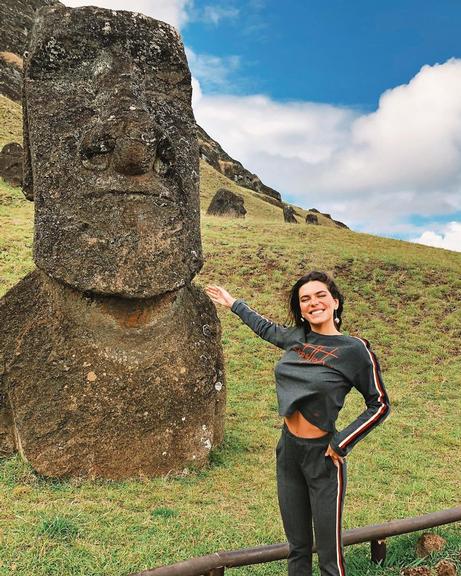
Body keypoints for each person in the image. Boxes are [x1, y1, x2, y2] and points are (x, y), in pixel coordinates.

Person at [205, 270, 391, 576]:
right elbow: (264, 328)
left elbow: (380, 404)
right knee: (298, 549)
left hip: (323, 456)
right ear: (300, 309)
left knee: (329, 556)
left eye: (320, 296)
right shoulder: (296, 338)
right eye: (305, 299)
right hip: (289, 452)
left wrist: (341, 442)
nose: (313, 303)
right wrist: (233, 303)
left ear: (335, 301)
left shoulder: (354, 350)